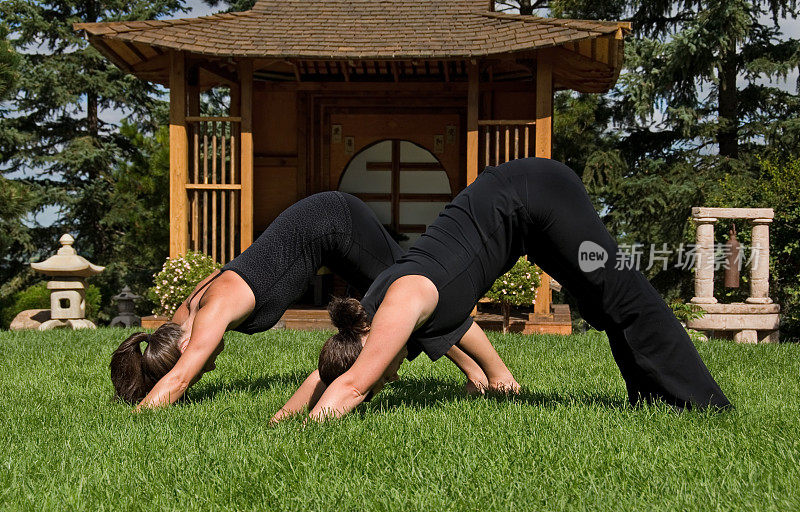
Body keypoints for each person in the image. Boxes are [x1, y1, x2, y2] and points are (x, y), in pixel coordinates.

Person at [308, 158, 732, 421]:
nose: (393, 375)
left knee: (621, 291)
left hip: (537, 193)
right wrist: (282, 420)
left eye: (385, 375)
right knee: (599, 304)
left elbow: (352, 385)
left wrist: (302, 437)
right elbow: (332, 372)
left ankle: (703, 405)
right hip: (519, 214)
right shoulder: (362, 318)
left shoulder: (400, 305)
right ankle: (654, 402)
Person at [109, 191, 518, 410]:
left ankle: (496, 379)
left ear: (183, 346)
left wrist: (143, 415)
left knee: (420, 289)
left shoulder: (210, 310)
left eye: (198, 363)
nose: (206, 366)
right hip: (325, 229)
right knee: (405, 304)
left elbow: (179, 376)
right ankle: (481, 377)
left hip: (336, 224)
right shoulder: (186, 312)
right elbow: (175, 363)